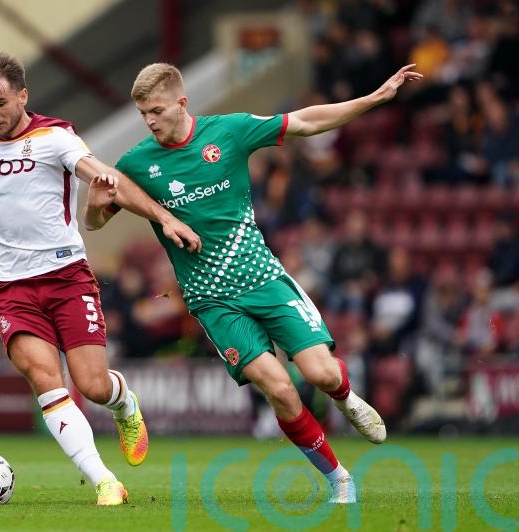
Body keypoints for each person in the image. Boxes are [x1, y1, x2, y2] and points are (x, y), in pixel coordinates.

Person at [86, 62, 422, 504]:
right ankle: (338, 476)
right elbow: (93, 223)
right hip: (213, 302)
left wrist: (373, 99)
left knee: (320, 373)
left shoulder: (229, 132)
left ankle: (344, 397)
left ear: (181, 103)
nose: (149, 121)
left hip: (265, 279)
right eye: (142, 113)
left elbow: (304, 122)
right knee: (279, 388)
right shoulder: (136, 164)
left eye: (157, 111)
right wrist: (93, 205)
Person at [0, 53, 201, 506]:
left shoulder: (56, 136)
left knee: (91, 385)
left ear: (23, 95)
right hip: (9, 290)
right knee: (47, 380)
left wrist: (161, 216)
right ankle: (104, 481)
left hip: (66, 277)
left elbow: (99, 173)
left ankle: (125, 403)